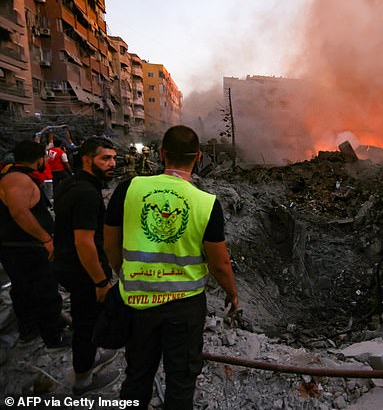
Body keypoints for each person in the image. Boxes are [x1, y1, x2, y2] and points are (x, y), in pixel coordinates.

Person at [104, 125, 239, 410]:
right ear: (199, 157)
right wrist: (231, 293)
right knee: (181, 379)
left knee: (137, 374)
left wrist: (125, 274)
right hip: (184, 308)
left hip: (137, 301)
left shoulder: (129, 188)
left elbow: (110, 244)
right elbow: (219, 263)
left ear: (162, 154)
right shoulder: (206, 203)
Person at [54, 137, 120, 395]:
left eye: (114, 158)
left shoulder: (71, 183)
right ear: (86, 159)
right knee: (85, 323)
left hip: (69, 266)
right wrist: (101, 281)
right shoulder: (86, 194)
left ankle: (92, 356)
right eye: (105, 158)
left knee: (89, 319)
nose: (112, 163)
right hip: (84, 271)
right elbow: (85, 242)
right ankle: (83, 379)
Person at [0, 141, 69, 349]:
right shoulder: (17, 179)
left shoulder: (16, 176)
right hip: (27, 248)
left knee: (25, 290)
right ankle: (53, 335)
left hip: (21, 247)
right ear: (39, 159)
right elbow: (19, 211)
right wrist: (45, 239)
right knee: (44, 291)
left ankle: (31, 330)